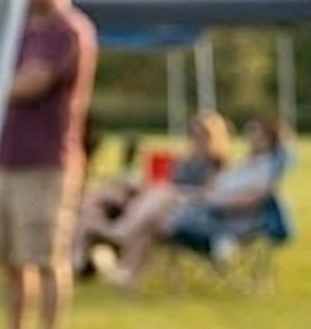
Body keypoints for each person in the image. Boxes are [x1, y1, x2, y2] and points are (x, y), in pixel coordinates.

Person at [0, 0, 96, 329]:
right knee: (11, 258)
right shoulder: (24, 31)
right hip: (9, 158)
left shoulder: (68, 30)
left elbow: (32, 83)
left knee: (46, 256)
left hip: (47, 162)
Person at [98, 114, 289, 284]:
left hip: (220, 223)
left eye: (255, 135)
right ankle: (127, 274)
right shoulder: (246, 165)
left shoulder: (264, 171)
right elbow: (213, 186)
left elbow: (250, 199)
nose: (250, 139)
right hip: (203, 209)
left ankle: (124, 256)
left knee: (157, 213)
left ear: (268, 139)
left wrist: (212, 200)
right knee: (155, 209)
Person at [74, 112, 231, 277]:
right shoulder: (185, 161)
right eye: (192, 133)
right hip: (159, 202)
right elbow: (166, 181)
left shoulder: (217, 164)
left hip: (185, 208)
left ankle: (117, 234)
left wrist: (175, 192)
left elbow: (209, 194)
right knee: (109, 191)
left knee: (159, 199)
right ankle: (80, 256)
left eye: (201, 134)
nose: (195, 138)